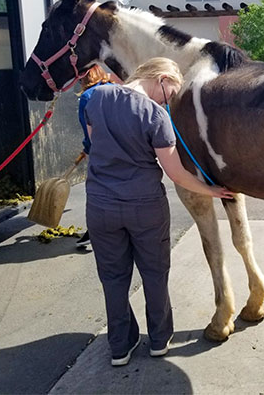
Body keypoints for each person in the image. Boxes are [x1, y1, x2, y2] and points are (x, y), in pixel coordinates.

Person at [84, 57, 234, 366]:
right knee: (154, 273)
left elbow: (93, 141)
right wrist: (213, 190)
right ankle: (158, 340)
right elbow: (176, 174)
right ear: (162, 78)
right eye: (171, 93)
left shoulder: (97, 97)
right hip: (145, 208)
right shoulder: (155, 115)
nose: (169, 100)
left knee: (113, 277)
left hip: (100, 206)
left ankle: (120, 348)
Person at [75, 65, 116, 250]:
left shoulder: (87, 97)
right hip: (125, 149)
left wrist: (88, 148)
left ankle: (95, 232)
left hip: (101, 153)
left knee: (97, 192)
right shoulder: (116, 89)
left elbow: (89, 130)